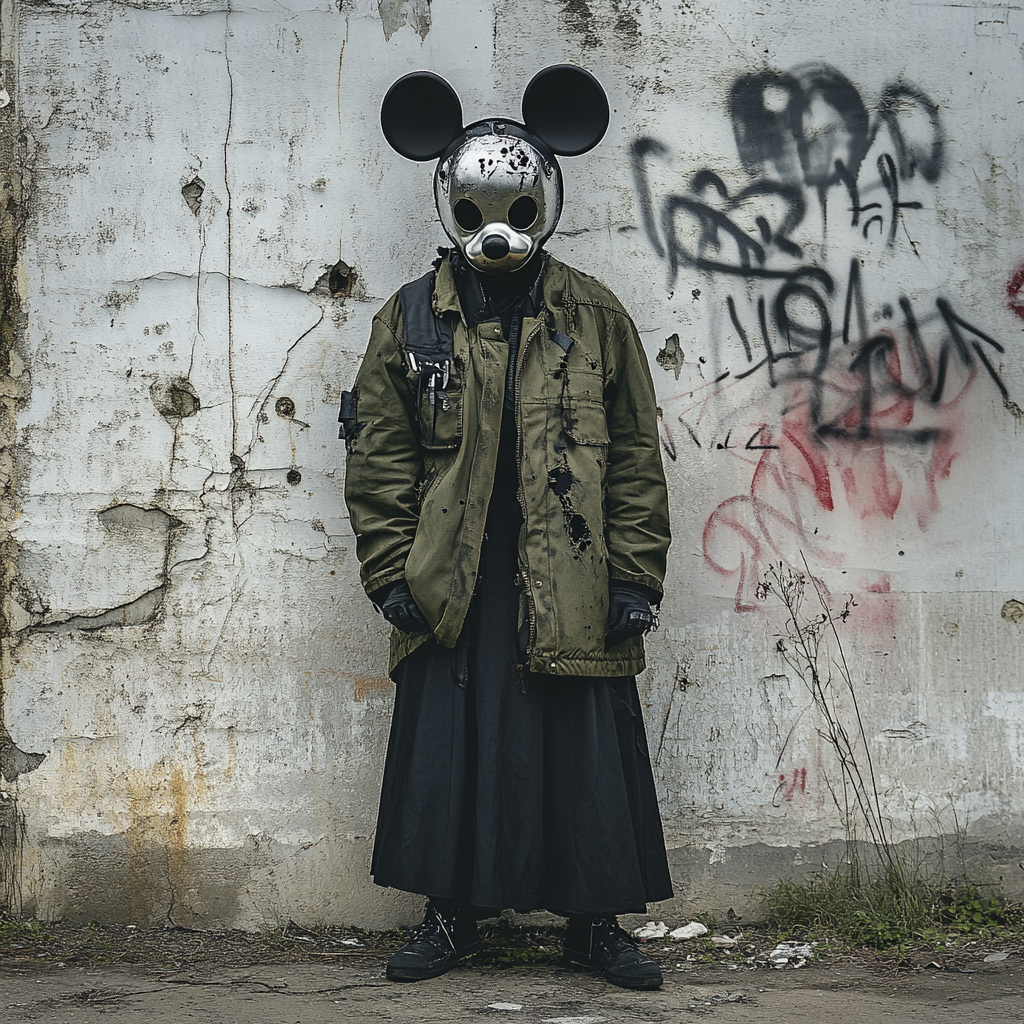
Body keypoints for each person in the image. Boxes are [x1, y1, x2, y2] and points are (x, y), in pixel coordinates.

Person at [340, 65, 672, 990]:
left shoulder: (597, 315)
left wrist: (637, 577)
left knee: (583, 749)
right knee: (452, 744)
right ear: (450, 199)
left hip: (572, 572)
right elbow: (379, 458)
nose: (501, 227)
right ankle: (452, 917)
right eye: (480, 203)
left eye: (518, 206)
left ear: (544, 202)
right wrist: (389, 573)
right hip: (455, 578)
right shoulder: (410, 318)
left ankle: (593, 925)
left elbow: (638, 455)